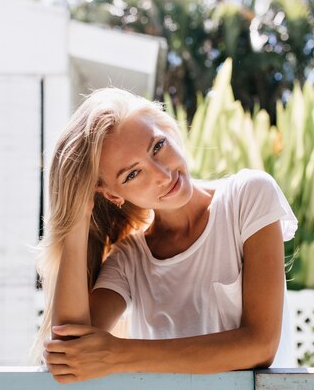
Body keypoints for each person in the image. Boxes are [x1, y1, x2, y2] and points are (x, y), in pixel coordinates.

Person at [30, 88, 298, 383]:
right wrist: (78, 214)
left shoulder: (247, 197)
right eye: (132, 174)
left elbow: (260, 346)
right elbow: (69, 355)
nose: (162, 174)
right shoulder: (130, 259)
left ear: (169, 129)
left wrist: (118, 355)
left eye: (157, 146)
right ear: (110, 194)